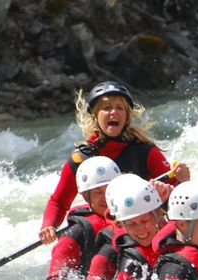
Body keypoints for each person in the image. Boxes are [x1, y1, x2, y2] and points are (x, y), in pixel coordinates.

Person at [38, 80, 189, 245]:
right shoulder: (81, 160)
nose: (113, 112)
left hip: (141, 230)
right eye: (106, 107)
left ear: (126, 116)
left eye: (119, 108)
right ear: (95, 115)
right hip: (105, 234)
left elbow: (178, 197)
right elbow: (59, 202)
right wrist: (49, 226)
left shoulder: (144, 151)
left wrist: (183, 181)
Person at [44, 155, 121, 280]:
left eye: (109, 189)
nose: (105, 197)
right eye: (98, 192)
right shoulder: (77, 232)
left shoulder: (132, 218)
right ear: (86, 196)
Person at [88, 173, 174, 280]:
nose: (141, 229)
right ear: (120, 224)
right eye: (132, 224)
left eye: (144, 221)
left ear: (158, 214)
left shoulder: (173, 229)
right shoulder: (128, 262)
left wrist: (170, 198)